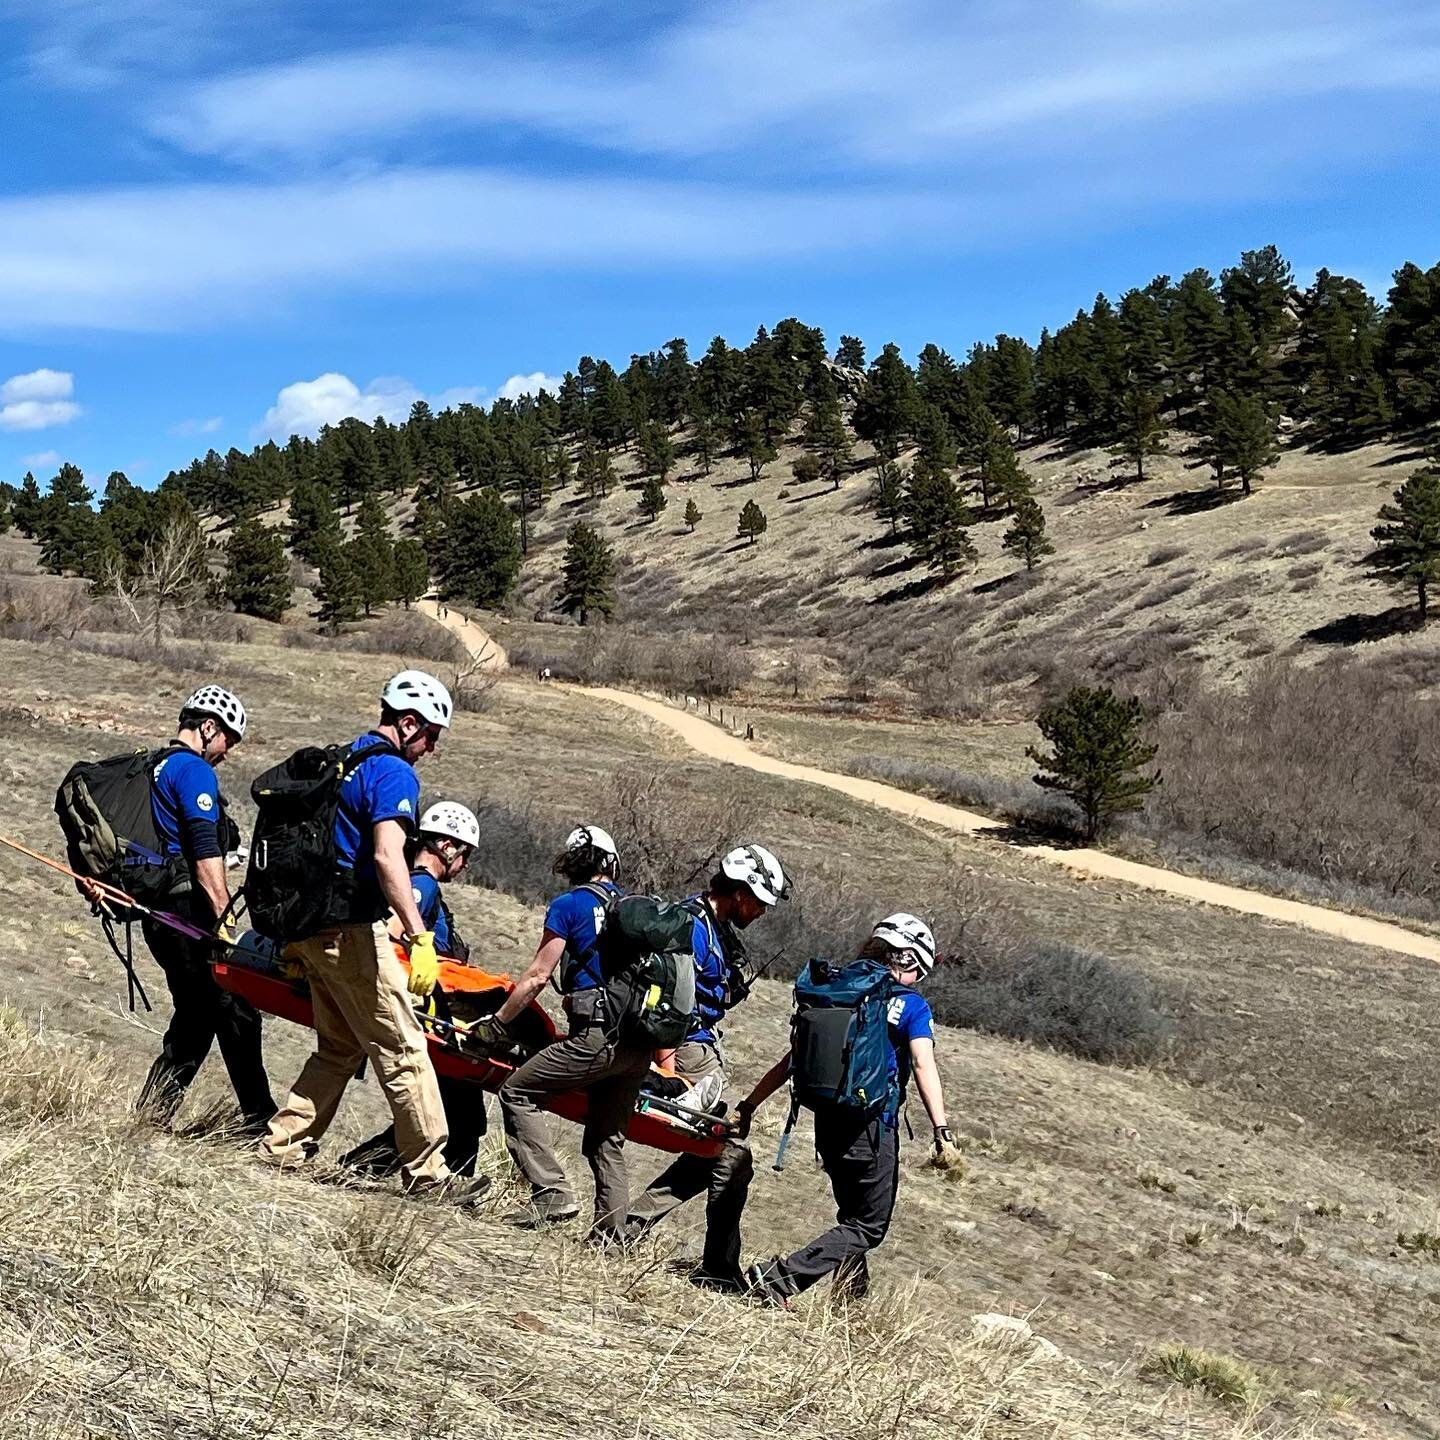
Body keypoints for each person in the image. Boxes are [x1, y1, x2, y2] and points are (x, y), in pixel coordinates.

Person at [259, 670, 488, 1205]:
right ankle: (428, 1175)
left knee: (339, 1047)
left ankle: (282, 1145)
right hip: (348, 926)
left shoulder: (343, 761)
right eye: (431, 734)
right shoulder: (393, 774)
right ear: (408, 724)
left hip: (307, 923)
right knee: (405, 1047)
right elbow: (389, 857)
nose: (431, 748)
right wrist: (419, 935)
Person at [738, 913, 952, 1304]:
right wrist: (942, 1130)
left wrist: (750, 1103)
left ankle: (850, 1307)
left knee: (853, 1217)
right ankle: (778, 1279)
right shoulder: (910, 1006)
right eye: (918, 968)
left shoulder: (839, 991)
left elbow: (793, 1060)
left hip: (828, 1121)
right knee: (869, 1226)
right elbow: (923, 1063)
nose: (918, 979)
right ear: (905, 959)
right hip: (871, 1128)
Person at [625, 843, 788, 1290]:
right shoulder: (692, 927)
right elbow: (663, 995)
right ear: (739, 893)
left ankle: (630, 1226)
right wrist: (668, 1067)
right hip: (686, 1051)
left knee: (720, 1151)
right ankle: (716, 1267)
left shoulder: (713, 928)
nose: (760, 913)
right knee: (729, 1154)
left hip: (698, 1049)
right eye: (759, 903)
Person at [134, 685, 276, 1134]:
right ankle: (260, 1123)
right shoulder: (194, 772)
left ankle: (149, 1119)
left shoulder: (152, 766)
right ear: (208, 727)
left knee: (198, 1017)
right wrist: (224, 919)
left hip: (158, 915)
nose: (227, 752)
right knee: (235, 1010)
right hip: (187, 914)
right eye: (228, 740)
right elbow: (203, 850)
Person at [479, 824, 626, 1230]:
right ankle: (612, 1240)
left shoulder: (569, 905)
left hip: (596, 1033)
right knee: (607, 1138)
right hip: (636, 1044)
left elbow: (538, 976)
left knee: (517, 1091)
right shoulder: (632, 908)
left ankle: (552, 1193)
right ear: (611, 863)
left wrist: (498, 1023)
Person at [340, 800, 485, 1177]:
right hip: (425, 1017)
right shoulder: (421, 885)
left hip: (429, 1014)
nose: (465, 865)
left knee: (457, 1114)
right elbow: (387, 936)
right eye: (464, 854)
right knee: (459, 1116)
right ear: (446, 847)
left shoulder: (420, 884)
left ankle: (363, 1170)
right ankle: (360, 1170)